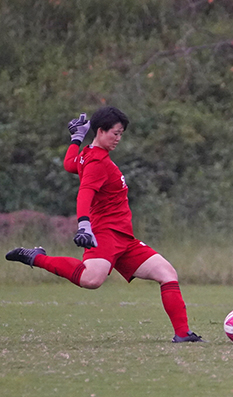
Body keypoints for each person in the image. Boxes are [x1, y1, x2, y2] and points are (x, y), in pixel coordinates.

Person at [5, 107, 204, 343]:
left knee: (167, 273)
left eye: (121, 134)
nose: (119, 139)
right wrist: (84, 225)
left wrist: (76, 139)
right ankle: (36, 257)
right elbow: (85, 193)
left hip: (124, 237)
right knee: (91, 280)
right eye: (116, 133)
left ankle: (183, 334)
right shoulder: (97, 162)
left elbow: (70, 164)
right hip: (105, 233)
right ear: (101, 131)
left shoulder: (88, 154)